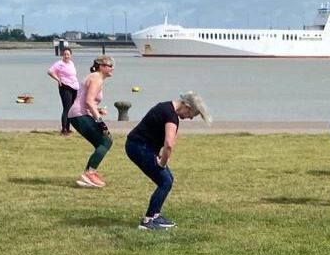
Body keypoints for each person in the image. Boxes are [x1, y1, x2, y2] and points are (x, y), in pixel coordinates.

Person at [125, 91, 211, 231]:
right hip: (139, 147)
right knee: (165, 181)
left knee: (168, 179)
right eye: (192, 115)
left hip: (139, 145)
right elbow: (169, 144)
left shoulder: (165, 107)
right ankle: (148, 221)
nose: (189, 118)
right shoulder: (171, 116)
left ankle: (156, 215)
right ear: (187, 106)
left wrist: (160, 159)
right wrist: (162, 163)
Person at [68, 56, 115, 188]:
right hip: (79, 114)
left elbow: (87, 101)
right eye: (110, 65)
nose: (112, 68)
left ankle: (87, 176)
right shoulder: (97, 78)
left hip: (79, 114)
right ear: (101, 66)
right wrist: (100, 122)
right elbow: (88, 102)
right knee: (106, 141)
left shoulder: (95, 77)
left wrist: (98, 110)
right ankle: (90, 173)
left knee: (101, 143)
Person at [47, 47, 80, 136]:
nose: (66, 56)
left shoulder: (71, 63)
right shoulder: (59, 64)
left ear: (71, 55)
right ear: (62, 55)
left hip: (74, 87)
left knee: (71, 108)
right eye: (65, 54)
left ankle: (68, 128)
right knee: (66, 108)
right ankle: (64, 129)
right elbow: (50, 71)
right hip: (65, 87)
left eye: (68, 54)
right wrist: (58, 79)